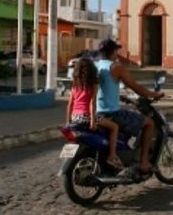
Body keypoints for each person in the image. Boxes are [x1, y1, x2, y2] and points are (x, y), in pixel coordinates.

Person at [95, 38, 164, 174]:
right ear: (113, 52)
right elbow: (137, 88)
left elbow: (104, 86)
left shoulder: (96, 66)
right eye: (116, 50)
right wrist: (155, 94)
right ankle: (144, 162)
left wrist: (118, 95)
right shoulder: (116, 67)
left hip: (97, 113)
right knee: (149, 123)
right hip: (112, 114)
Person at [65, 55, 124, 170]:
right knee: (114, 127)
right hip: (86, 116)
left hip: (75, 117)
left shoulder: (75, 86)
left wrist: (68, 121)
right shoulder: (93, 84)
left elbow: (70, 104)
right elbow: (92, 104)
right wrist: (93, 121)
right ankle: (112, 155)